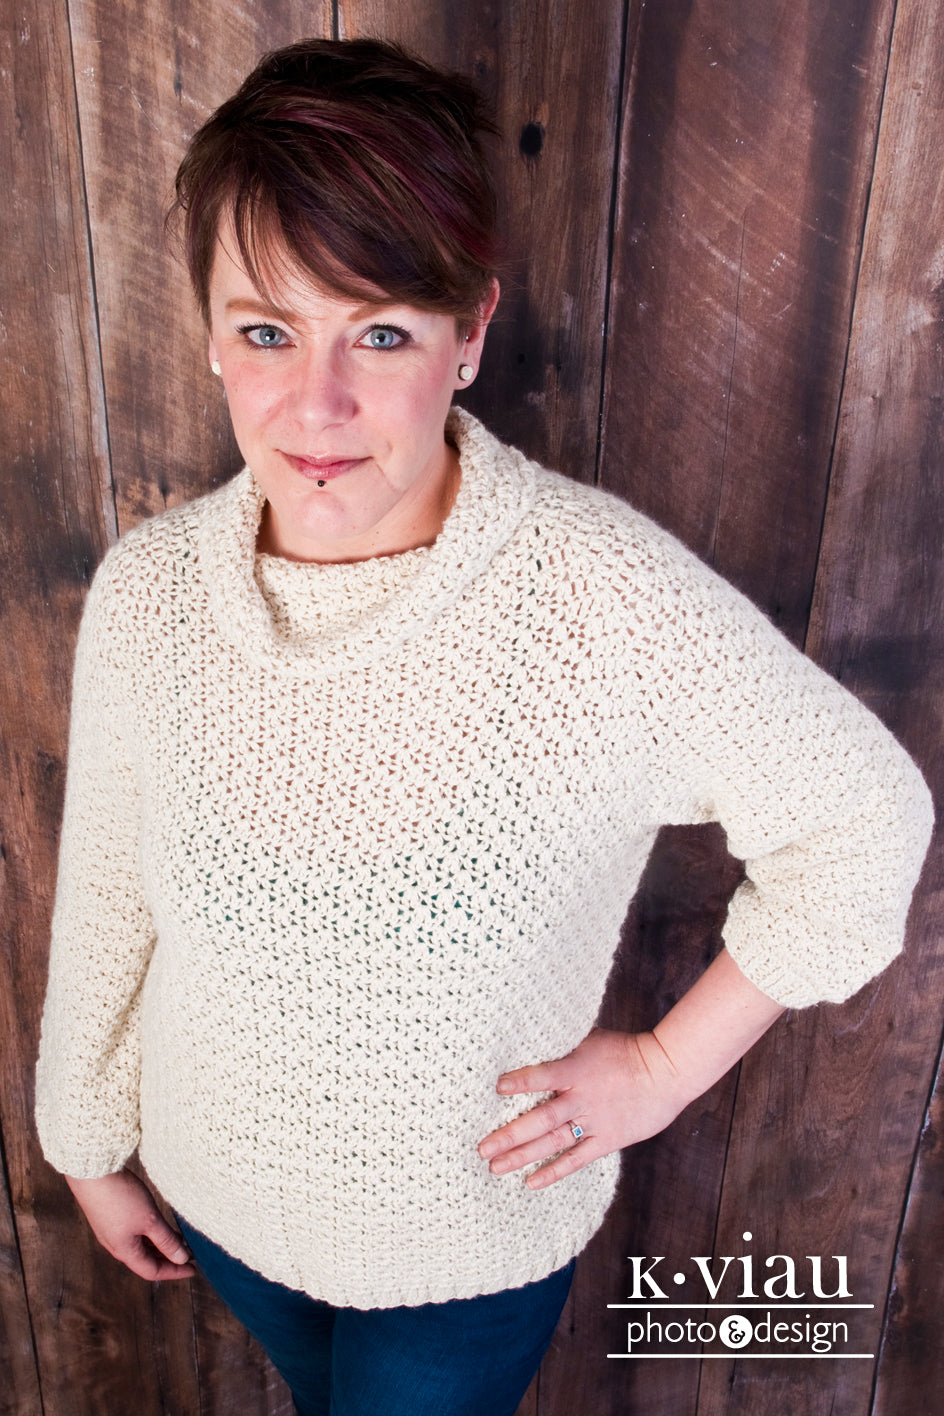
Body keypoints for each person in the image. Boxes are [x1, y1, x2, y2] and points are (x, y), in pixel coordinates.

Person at [35, 36, 932, 1416]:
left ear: (471, 335)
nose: (314, 405)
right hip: (215, 1190)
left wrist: (662, 1069)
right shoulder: (153, 594)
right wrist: (88, 1144)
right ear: (211, 332)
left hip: (466, 1247)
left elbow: (861, 817)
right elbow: (106, 893)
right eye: (267, 329)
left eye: (379, 331)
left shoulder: (595, 592)